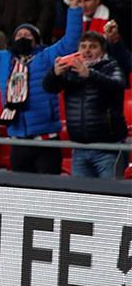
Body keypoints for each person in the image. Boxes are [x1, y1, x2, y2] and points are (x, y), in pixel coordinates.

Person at [0, 0, 83, 174]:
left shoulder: (46, 56)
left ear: (37, 41)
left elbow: (71, 41)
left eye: (28, 34)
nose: (23, 35)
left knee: (48, 192)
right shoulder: (2, 60)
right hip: (18, 140)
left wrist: (74, 9)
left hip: (46, 140)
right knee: (23, 195)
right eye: (19, 34)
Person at [43, 32, 128, 178]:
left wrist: (90, 74)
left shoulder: (112, 66)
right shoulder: (71, 71)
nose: (87, 51)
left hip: (108, 149)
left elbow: (118, 84)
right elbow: (49, 87)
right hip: (79, 148)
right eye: (83, 47)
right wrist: (54, 73)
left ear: (102, 50)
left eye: (93, 47)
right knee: (82, 197)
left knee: (109, 197)